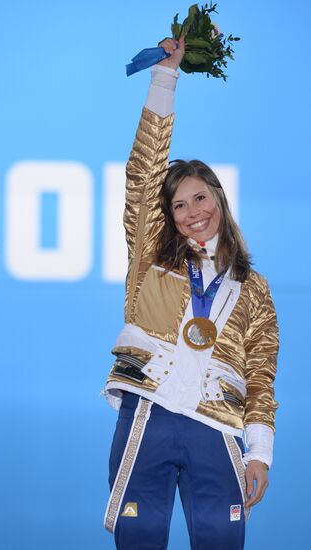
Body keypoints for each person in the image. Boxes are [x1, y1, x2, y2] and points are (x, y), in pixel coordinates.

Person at [102, 35, 279, 550]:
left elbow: (262, 372)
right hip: (149, 413)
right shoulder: (151, 257)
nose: (192, 211)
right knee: (140, 541)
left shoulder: (254, 288)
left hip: (216, 426)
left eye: (200, 197)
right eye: (178, 205)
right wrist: (165, 78)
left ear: (219, 200)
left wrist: (259, 452)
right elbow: (144, 177)